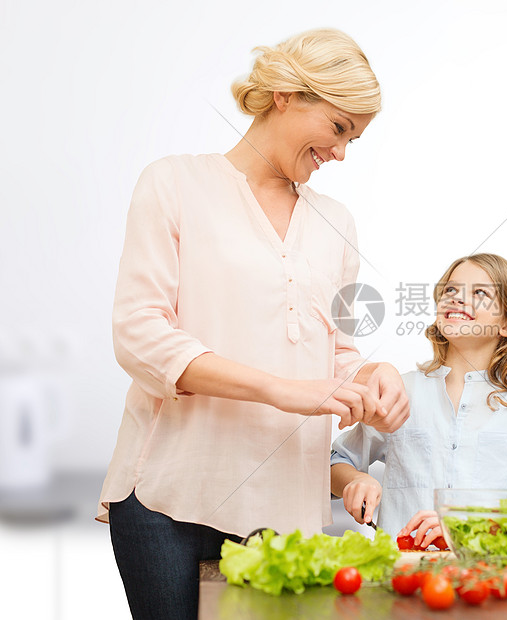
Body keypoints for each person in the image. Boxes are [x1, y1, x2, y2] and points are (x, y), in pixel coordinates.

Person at [98, 28, 409, 620]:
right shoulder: (174, 183)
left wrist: (376, 373)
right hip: (172, 495)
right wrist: (279, 390)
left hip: (285, 508)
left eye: (355, 139)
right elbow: (140, 335)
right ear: (287, 94)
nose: (342, 153)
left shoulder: (335, 221)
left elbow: (336, 351)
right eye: (339, 128)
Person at [330, 253, 507, 547]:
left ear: (506, 324)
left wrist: (470, 526)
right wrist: (354, 480)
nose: (456, 298)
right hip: (403, 572)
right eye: (450, 290)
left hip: (486, 574)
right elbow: (336, 461)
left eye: (480, 292)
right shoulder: (400, 391)